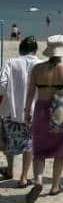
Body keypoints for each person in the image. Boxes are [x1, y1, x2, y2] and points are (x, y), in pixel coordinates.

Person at [24, 35, 63, 203]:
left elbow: (31, 92)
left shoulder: (37, 69)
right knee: (60, 149)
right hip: (60, 109)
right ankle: (55, 186)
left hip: (40, 109)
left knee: (39, 149)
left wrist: (27, 111)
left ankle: (38, 181)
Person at [0, 36, 43, 187]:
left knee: (7, 140)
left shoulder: (10, 62)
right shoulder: (41, 64)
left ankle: (10, 169)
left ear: (21, 49)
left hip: (10, 111)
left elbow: (2, 86)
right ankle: (24, 177)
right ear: (35, 50)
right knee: (29, 144)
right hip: (33, 111)